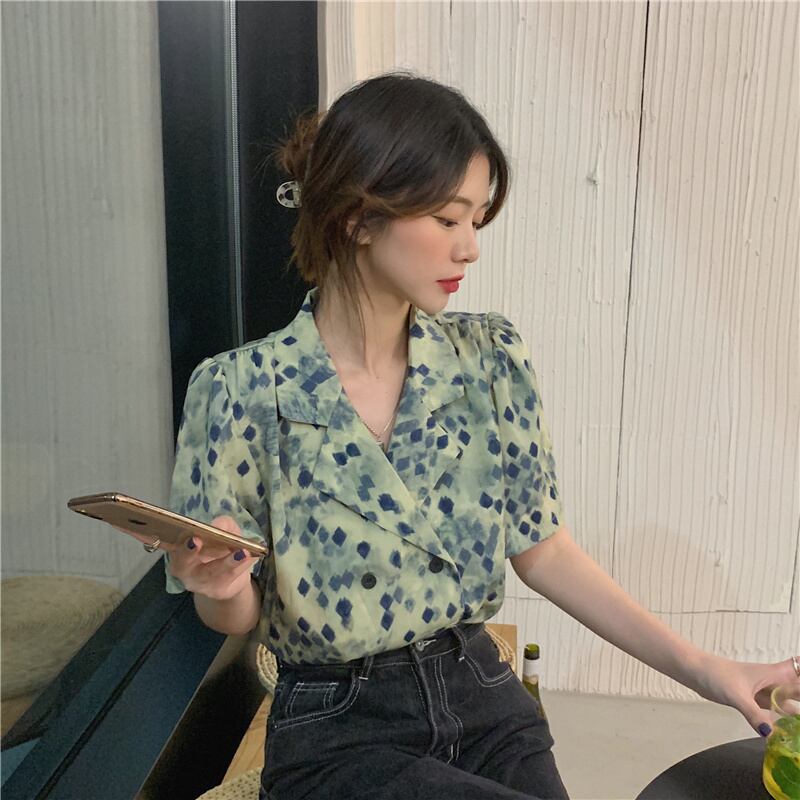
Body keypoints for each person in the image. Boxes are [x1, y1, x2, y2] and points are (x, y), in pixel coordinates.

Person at [129, 72, 799, 799]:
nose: (470, 248)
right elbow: (233, 613)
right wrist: (220, 582)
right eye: (449, 220)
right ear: (358, 217)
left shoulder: (490, 360)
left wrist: (707, 671)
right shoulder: (239, 390)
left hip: (482, 699)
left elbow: (546, 552)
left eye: (477, 219)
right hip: (337, 731)